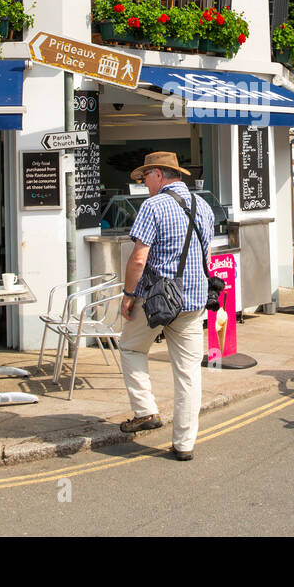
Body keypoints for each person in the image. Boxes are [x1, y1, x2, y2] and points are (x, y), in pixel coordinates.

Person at [118, 152, 214, 461]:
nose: (143, 182)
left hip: (156, 299)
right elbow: (206, 254)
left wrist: (128, 294)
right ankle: (184, 444)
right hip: (194, 299)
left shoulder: (153, 206)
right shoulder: (204, 206)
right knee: (188, 373)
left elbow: (138, 258)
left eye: (145, 176)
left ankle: (146, 411)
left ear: (159, 174)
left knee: (131, 348)